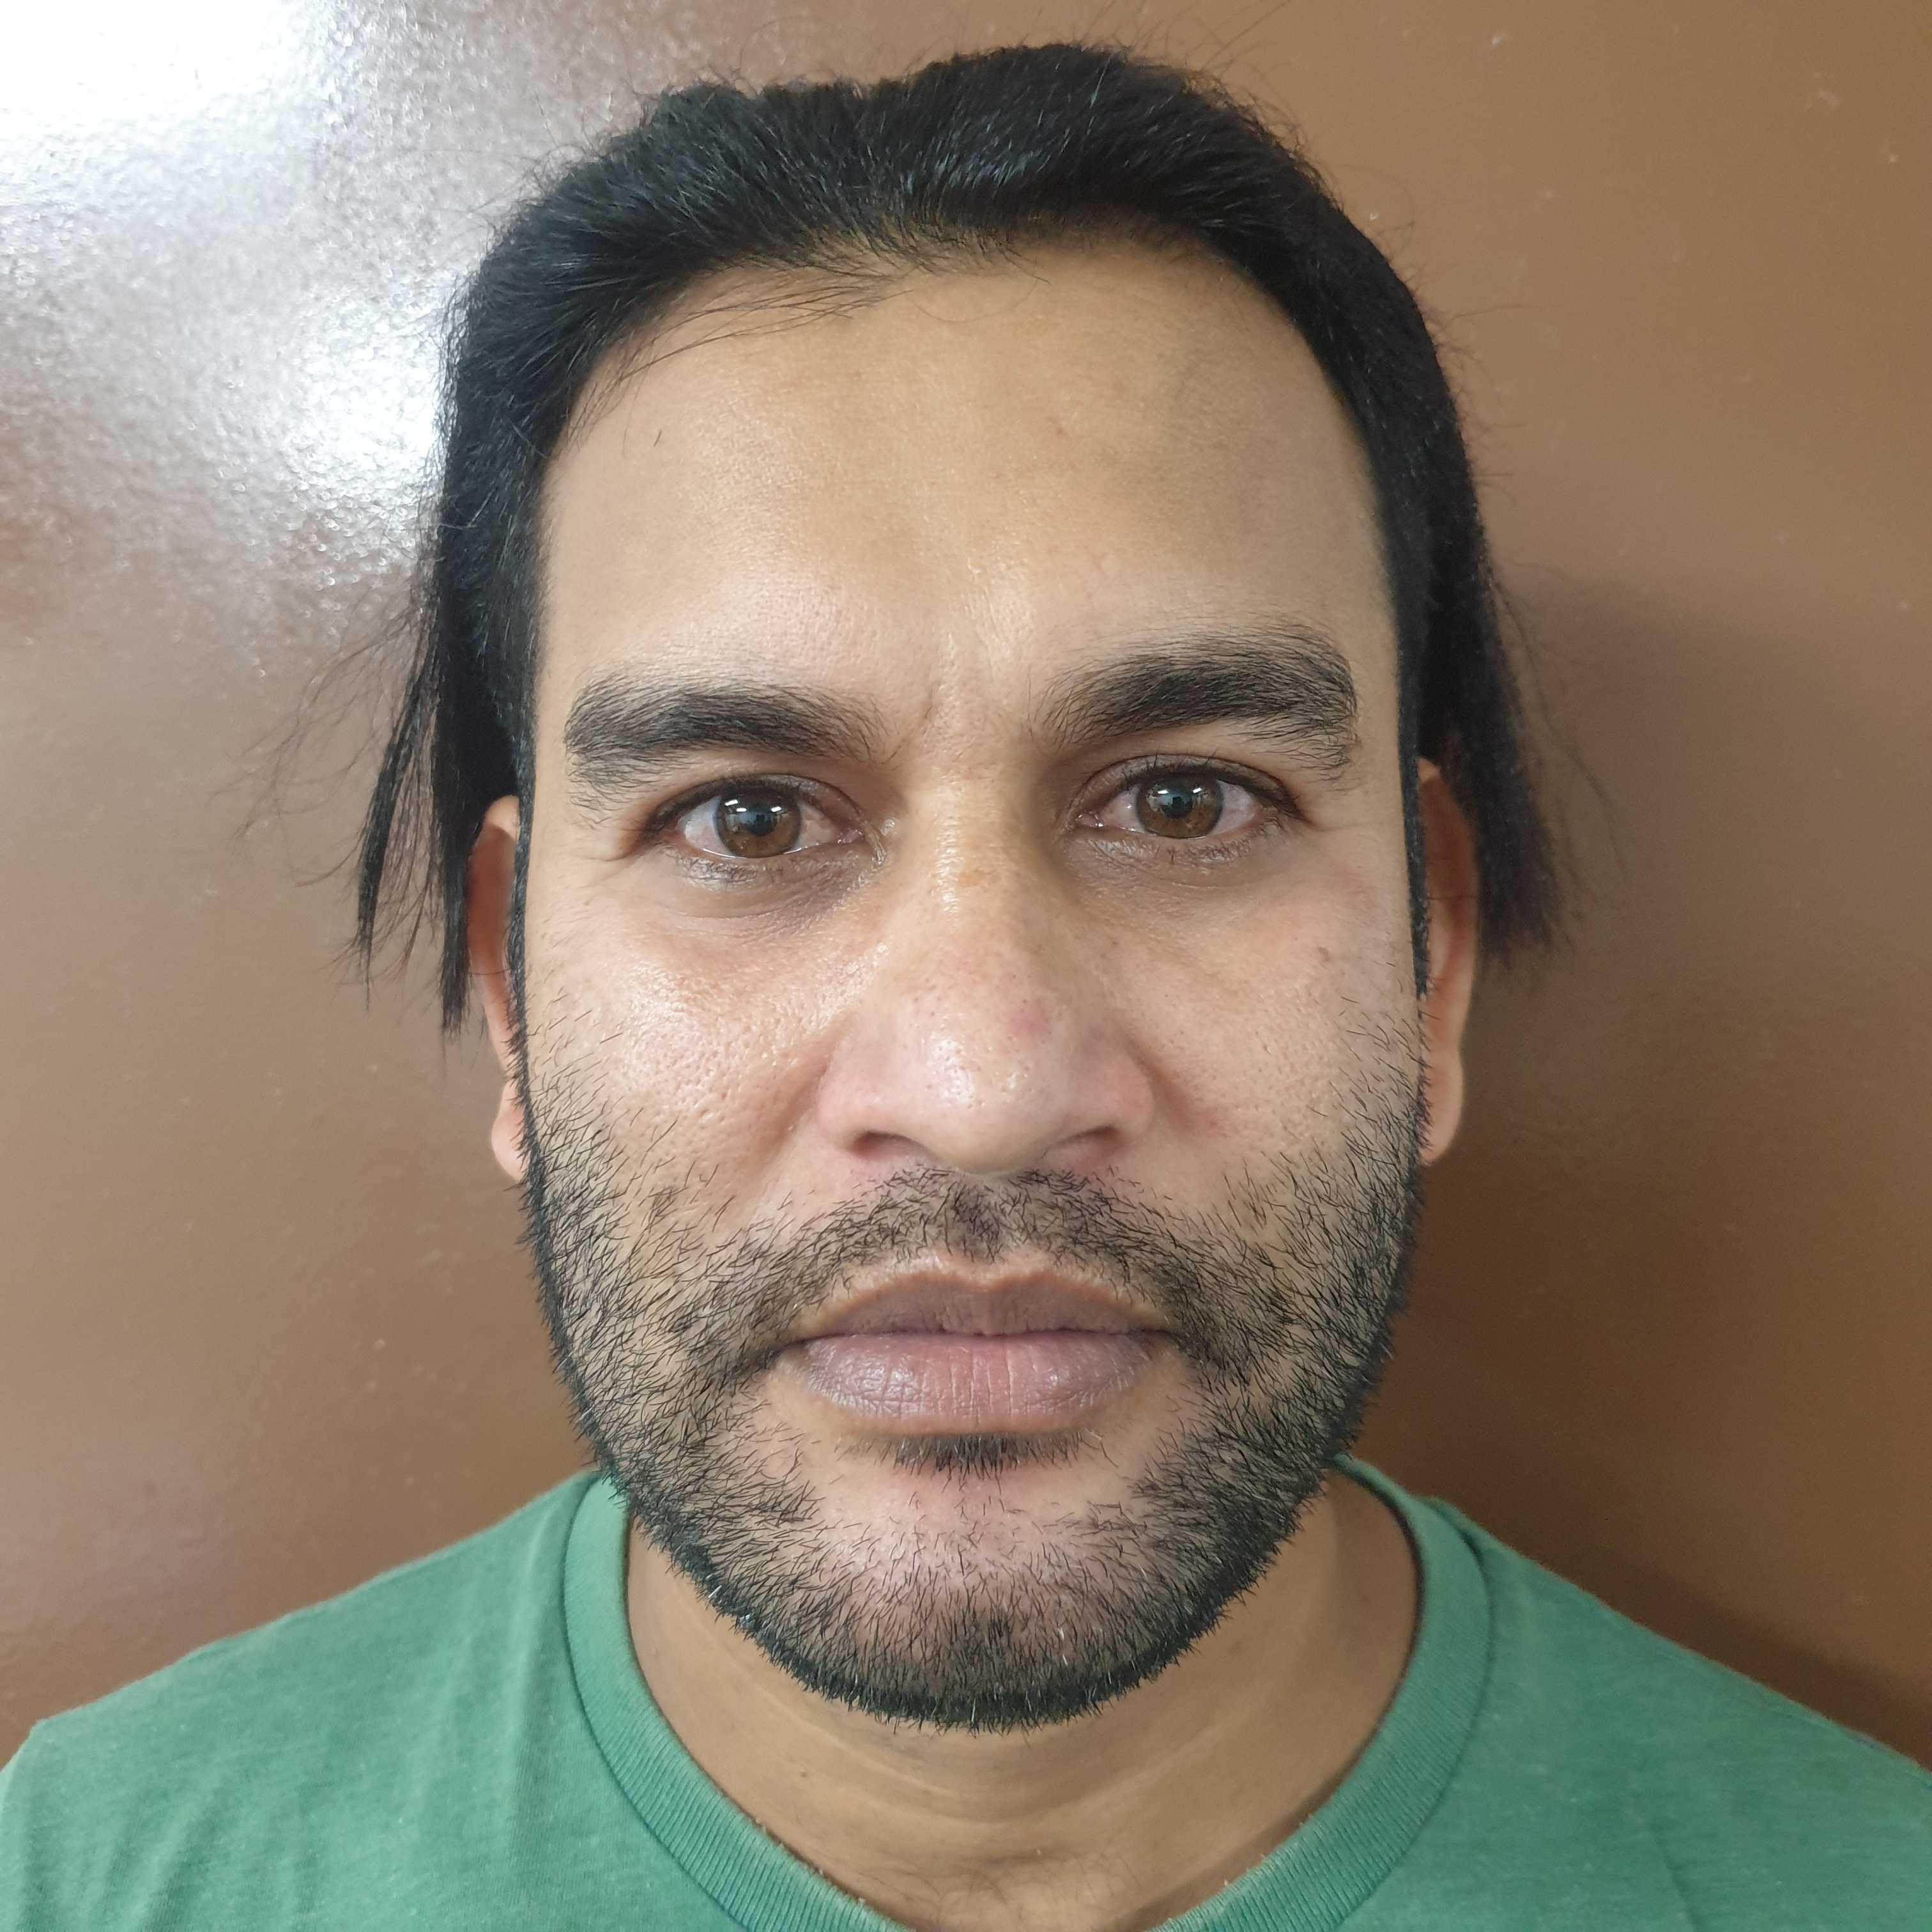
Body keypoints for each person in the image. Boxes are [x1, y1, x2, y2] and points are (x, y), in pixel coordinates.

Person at [2, 41, 1926, 1931]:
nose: (981, 1086)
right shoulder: (83, 1877)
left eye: (1187, 802)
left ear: (1431, 962)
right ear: (511, 981)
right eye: (748, 819)